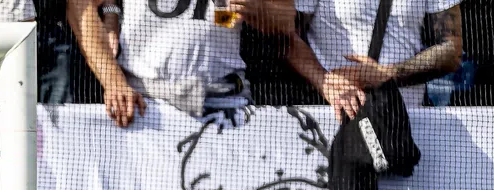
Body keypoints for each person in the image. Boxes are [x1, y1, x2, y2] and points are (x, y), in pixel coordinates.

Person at [66, 0, 297, 126]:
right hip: (141, 105)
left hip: (225, 104)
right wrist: (113, 81)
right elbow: (80, 6)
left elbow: (287, 20)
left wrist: (259, 8)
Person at [286, 0, 462, 118]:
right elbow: (286, 39)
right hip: (334, 119)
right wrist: (324, 82)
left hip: (407, 122)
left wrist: (386, 75)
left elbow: (452, 51)